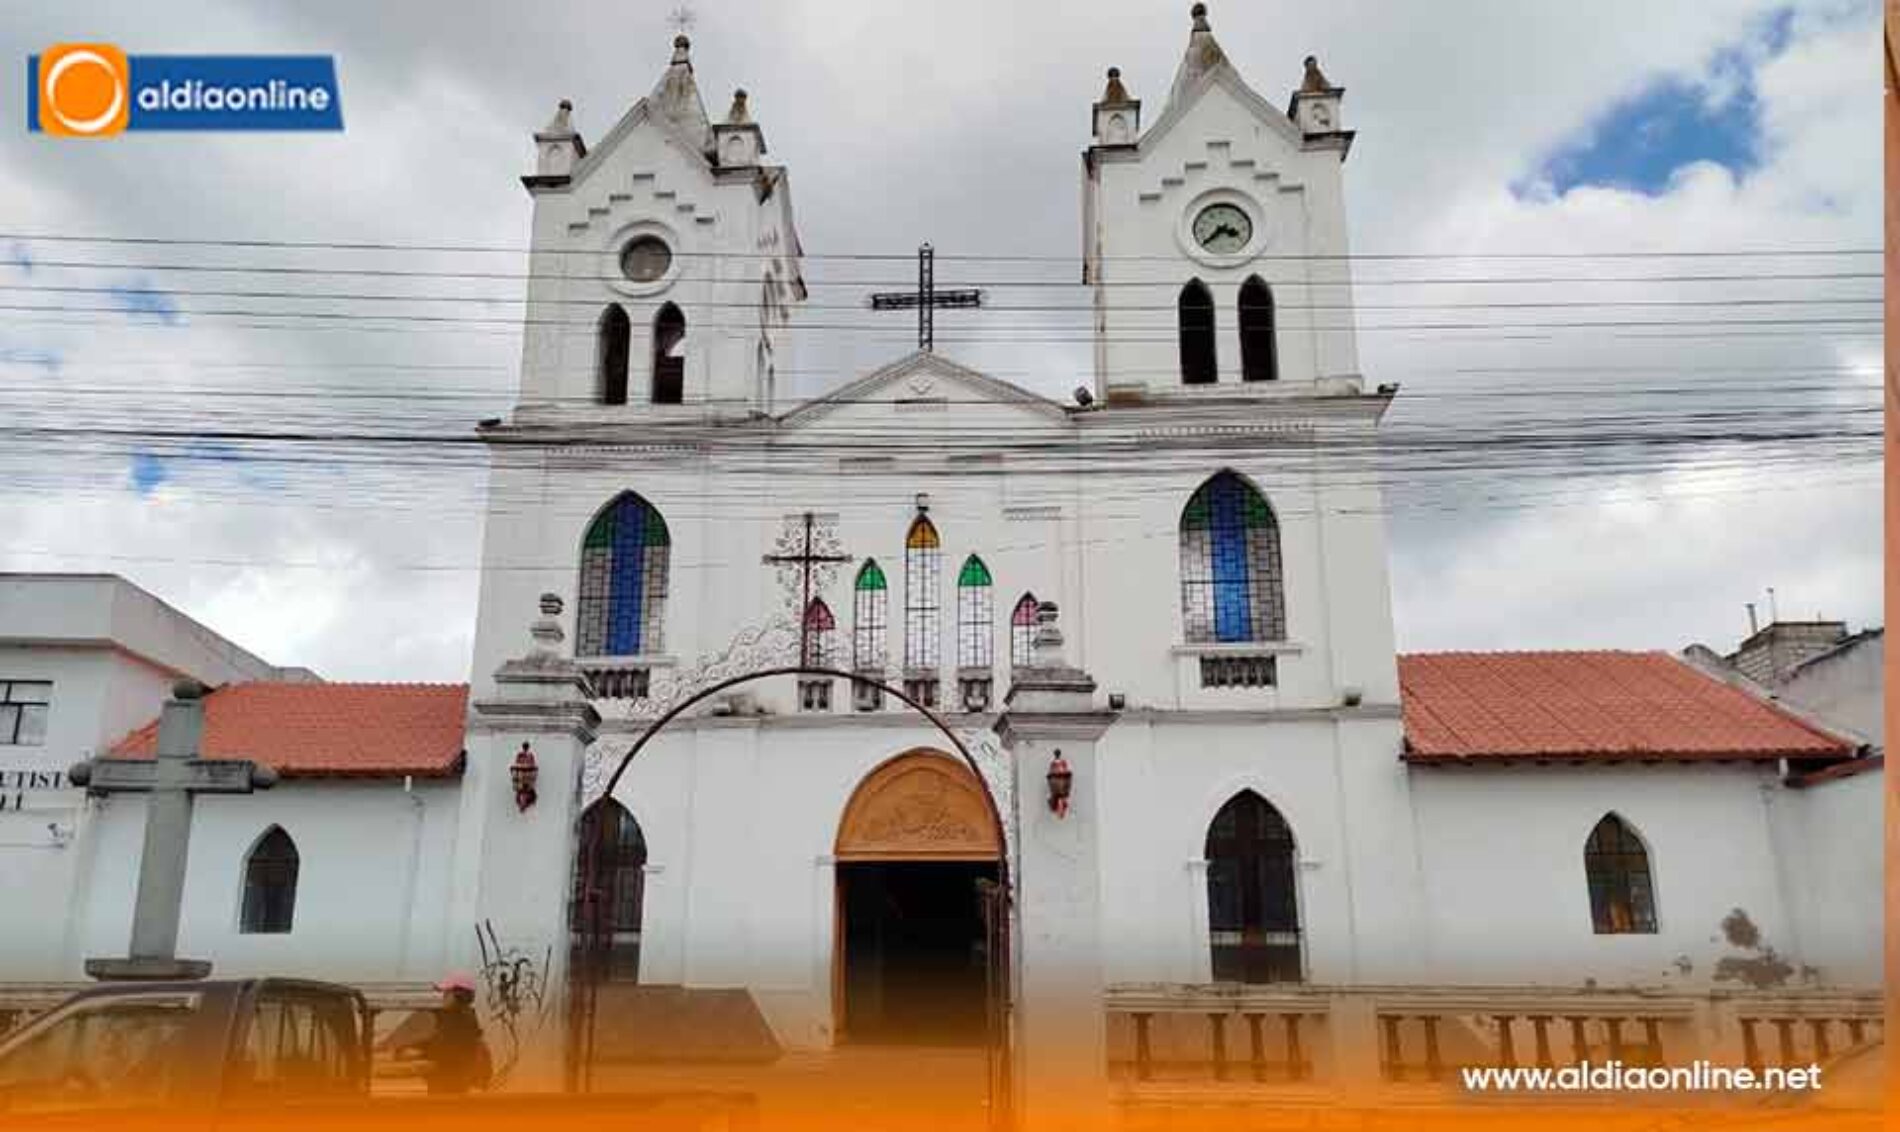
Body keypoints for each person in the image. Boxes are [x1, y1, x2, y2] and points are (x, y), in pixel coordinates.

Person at [397, 972, 491, 1095]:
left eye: (447, 993)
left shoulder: (457, 1019)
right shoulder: (463, 1016)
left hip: (449, 1081)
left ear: (459, 996)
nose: (443, 997)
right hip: (453, 1080)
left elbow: (445, 1048)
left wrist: (418, 1053)